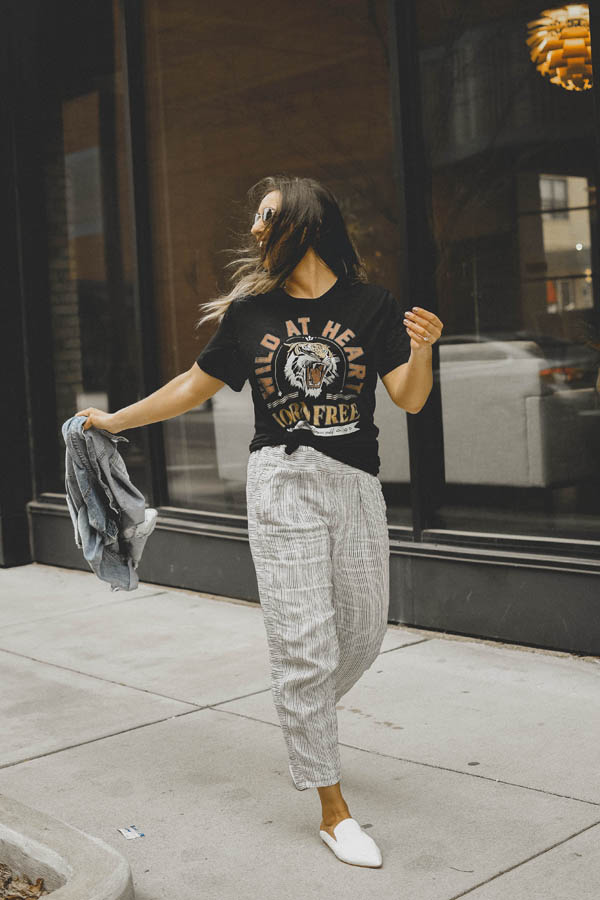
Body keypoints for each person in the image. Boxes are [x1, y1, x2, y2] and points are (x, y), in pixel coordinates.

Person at [75, 175, 443, 868]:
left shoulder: (372, 305)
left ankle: (304, 717)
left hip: (356, 486)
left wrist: (421, 348)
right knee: (305, 646)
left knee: (363, 631)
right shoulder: (250, 313)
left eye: (265, 216)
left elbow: (411, 400)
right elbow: (194, 384)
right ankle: (334, 808)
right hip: (281, 482)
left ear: (302, 221)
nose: (253, 230)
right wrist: (116, 419)